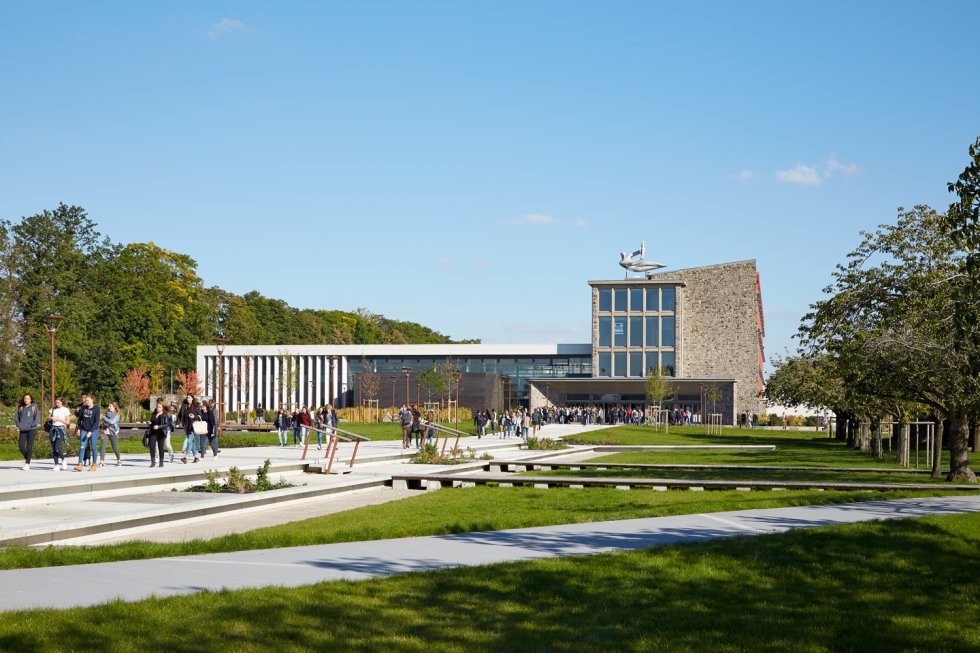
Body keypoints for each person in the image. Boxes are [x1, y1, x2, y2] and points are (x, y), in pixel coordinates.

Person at [75, 394, 100, 472]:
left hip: (94, 430)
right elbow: (80, 419)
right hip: (84, 429)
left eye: (87, 400)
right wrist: (78, 429)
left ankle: (94, 464)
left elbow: (96, 422)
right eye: (85, 400)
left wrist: (90, 432)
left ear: (92, 400)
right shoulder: (83, 408)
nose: (86, 401)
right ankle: (80, 464)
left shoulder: (96, 409)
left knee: (93, 447)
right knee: (82, 447)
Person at [16, 394, 40, 470]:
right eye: (25, 398)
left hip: (31, 429)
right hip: (22, 429)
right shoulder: (21, 408)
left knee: (29, 446)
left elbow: (36, 419)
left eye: (28, 398)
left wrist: (30, 426)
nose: (26, 400)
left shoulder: (34, 407)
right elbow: (16, 418)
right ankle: (28, 458)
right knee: (21, 446)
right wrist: (19, 425)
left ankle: (27, 463)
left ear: (31, 399)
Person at [48, 397, 71, 471]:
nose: (57, 404)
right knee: (54, 447)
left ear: (62, 402)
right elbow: (48, 418)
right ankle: (56, 465)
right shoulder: (53, 409)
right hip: (53, 429)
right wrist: (51, 418)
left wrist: (58, 419)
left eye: (58, 402)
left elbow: (67, 422)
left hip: (61, 429)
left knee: (57, 447)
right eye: (56, 402)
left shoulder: (65, 410)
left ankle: (63, 459)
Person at [177, 394, 201, 463]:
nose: (188, 398)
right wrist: (178, 423)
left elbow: (200, 416)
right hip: (187, 426)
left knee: (189, 441)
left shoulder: (196, 406)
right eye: (187, 397)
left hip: (193, 427)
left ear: (192, 398)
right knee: (191, 442)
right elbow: (179, 415)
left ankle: (186, 457)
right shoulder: (184, 406)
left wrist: (194, 417)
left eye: (189, 397)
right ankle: (196, 457)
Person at [99, 402, 122, 467]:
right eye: (108, 406)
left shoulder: (117, 415)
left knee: (114, 447)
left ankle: (119, 460)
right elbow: (105, 422)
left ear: (114, 407)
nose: (108, 407)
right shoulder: (106, 413)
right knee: (103, 447)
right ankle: (101, 461)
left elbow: (112, 422)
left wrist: (104, 418)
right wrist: (102, 424)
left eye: (110, 406)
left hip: (113, 432)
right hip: (105, 432)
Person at [148, 400, 167, 468]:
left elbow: (166, 425)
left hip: (161, 433)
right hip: (153, 432)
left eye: (159, 407)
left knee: (160, 448)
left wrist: (158, 426)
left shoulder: (164, 415)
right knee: (152, 446)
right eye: (157, 407)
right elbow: (152, 422)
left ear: (162, 408)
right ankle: (153, 462)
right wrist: (149, 423)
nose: (158, 408)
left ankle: (161, 462)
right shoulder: (153, 414)